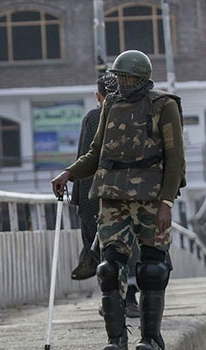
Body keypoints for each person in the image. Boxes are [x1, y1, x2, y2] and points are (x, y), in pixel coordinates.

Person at [52, 50, 185, 350]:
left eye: (127, 78)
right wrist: (68, 173)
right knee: (109, 269)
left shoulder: (164, 106)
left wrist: (167, 201)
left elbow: (175, 158)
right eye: (119, 77)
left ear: (141, 79)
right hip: (113, 197)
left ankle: (151, 339)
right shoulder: (110, 103)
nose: (122, 83)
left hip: (151, 198)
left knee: (153, 269)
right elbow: (96, 153)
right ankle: (116, 340)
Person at [71, 76, 140, 318]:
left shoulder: (93, 117)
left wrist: (79, 201)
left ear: (98, 96)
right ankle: (130, 298)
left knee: (105, 248)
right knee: (130, 244)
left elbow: (86, 158)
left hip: (100, 196)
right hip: (135, 193)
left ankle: (113, 300)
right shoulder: (138, 113)